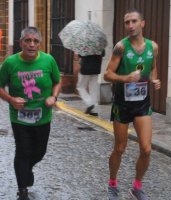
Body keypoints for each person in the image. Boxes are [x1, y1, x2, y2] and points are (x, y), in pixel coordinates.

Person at [104, 9, 161, 200]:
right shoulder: (121, 47)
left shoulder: (153, 47)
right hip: (122, 104)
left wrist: (154, 80)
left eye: (134, 21)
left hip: (142, 105)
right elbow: (107, 74)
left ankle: (137, 186)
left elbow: (152, 69)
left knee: (146, 149)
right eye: (127, 22)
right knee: (120, 148)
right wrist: (125, 78)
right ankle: (113, 184)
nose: (130, 25)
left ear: (142, 23)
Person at [0, 26, 61, 200]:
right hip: (20, 117)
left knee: (39, 151)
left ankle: (26, 169)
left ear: (39, 44)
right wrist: (11, 99)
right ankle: (23, 191)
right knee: (23, 151)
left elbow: (57, 81)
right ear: (21, 43)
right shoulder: (11, 63)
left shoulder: (48, 60)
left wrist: (54, 97)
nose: (31, 44)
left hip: (43, 116)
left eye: (35, 41)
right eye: (28, 40)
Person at [76, 50, 105, 116]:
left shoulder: (84, 44)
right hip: (96, 69)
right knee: (94, 88)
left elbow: (80, 55)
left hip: (85, 69)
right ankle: (93, 108)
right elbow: (103, 54)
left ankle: (89, 103)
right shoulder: (99, 44)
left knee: (80, 87)